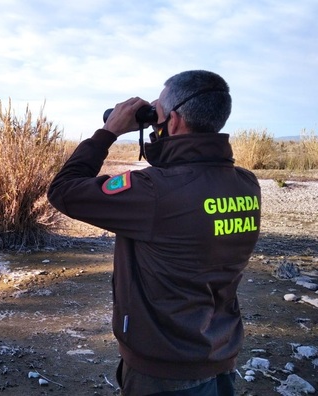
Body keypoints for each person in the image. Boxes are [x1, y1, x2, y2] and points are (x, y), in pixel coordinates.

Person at [47, 70, 261, 395]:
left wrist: (109, 131)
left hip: (163, 372)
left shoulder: (154, 192)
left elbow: (64, 189)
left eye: (157, 112)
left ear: (172, 122)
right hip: (219, 356)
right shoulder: (246, 185)